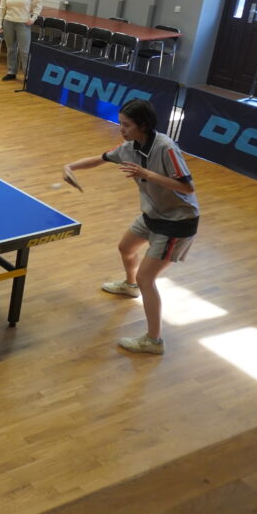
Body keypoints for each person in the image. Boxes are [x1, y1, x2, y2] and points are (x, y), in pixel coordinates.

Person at [63, 99, 199, 355]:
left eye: (126, 125)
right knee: (126, 248)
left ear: (143, 125)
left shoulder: (166, 148)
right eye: (121, 123)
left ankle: (154, 341)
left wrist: (147, 174)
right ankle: (129, 285)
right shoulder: (129, 148)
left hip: (177, 222)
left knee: (146, 278)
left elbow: (187, 187)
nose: (121, 129)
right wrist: (70, 166)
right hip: (152, 214)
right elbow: (101, 159)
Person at [0, 0, 42, 81]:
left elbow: (38, 4)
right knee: (11, 49)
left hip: (23, 24)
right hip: (8, 22)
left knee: (24, 51)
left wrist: (33, 18)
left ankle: (28, 76)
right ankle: (11, 72)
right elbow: (2, 7)